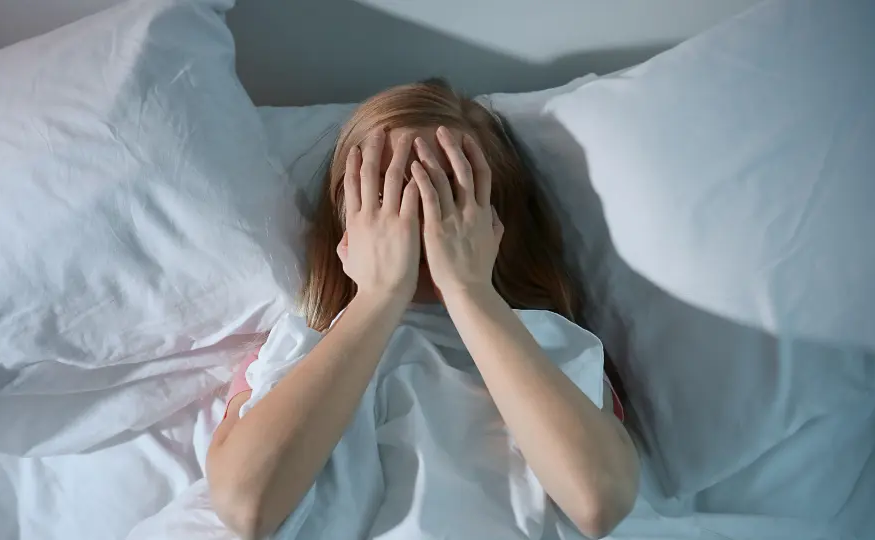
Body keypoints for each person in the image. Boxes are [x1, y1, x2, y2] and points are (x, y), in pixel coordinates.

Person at [206, 79, 639, 540]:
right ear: (344, 218)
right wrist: (379, 296)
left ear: (497, 222)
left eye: (449, 196)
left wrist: (468, 288)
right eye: (385, 195)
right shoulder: (296, 352)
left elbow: (599, 502)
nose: (415, 217)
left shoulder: (556, 347)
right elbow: (247, 507)